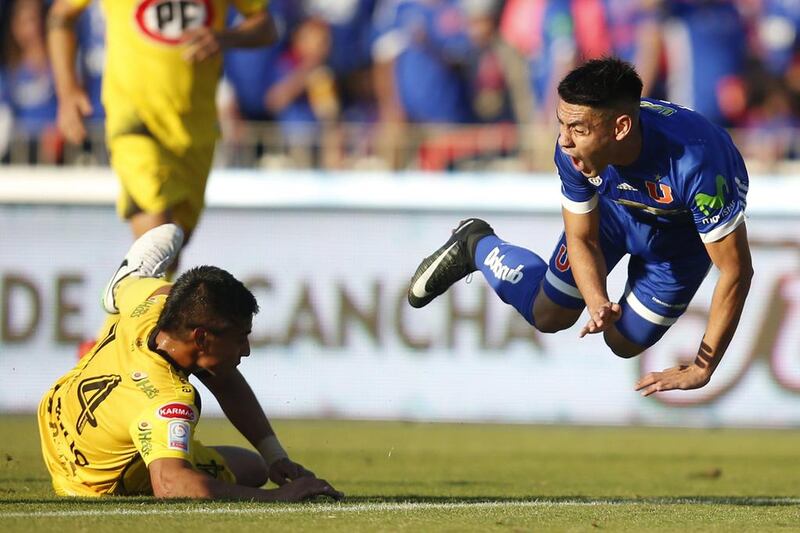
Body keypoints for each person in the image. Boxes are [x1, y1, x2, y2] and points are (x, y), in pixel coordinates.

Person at [408, 58, 753, 397]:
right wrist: (597, 301)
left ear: (620, 128)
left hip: (682, 241)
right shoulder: (571, 152)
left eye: (579, 129)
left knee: (622, 342)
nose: (564, 140)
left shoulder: (698, 168)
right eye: (561, 124)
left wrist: (703, 367)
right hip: (614, 215)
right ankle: (476, 243)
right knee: (549, 314)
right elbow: (581, 236)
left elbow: (736, 271)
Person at [38, 224, 343, 501]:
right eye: (240, 337)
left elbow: (221, 375)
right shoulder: (167, 399)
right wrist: (280, 498)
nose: (247, 350)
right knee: (238, 475)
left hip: (54, 421)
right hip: (86, 482)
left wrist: (274, 455)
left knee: (256, 467)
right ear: (201, 337)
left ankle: (126, 281)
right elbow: (170, 485)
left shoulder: (152, 307)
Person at [46, 0, 278, 260]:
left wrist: (225, 37)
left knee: (172, 251)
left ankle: (133, 297)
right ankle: (137, 292)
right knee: (156, 244)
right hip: (136, 121)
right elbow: (61, 14)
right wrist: (67, 91)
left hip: (195, 128)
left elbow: (266, 26)